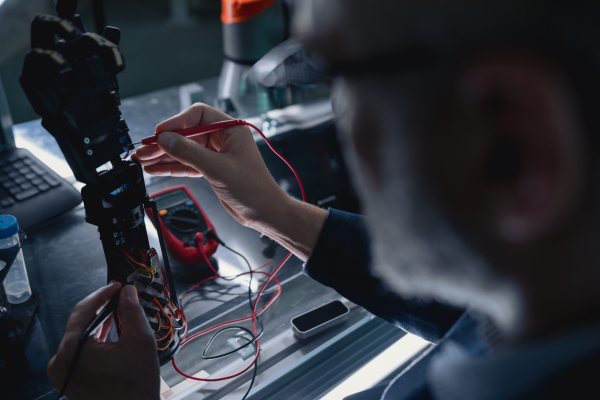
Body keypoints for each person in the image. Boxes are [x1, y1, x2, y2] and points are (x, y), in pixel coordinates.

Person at [47, 0, 600, 399]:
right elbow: (469, 315)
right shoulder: (553, 300)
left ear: (515, 142)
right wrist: (277, 214)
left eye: (336, 73)